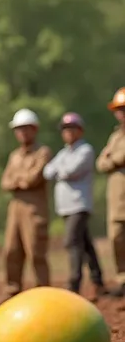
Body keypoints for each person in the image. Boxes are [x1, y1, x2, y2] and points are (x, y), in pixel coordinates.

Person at [43, 113, 106, 298]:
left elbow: (69, 171)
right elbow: (47, 172)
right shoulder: (63, 153)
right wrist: (59, 169)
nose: (68, 133)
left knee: (72, 241)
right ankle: (98, 281)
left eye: (72, 129)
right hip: (65, 206)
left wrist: (59, 170)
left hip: (79, 205)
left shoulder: (85, 151)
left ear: (80, 131)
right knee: (85, 244)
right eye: (65, 129)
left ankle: (74, 283)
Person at [1, 108, 52, 298]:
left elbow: (33, 178)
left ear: (35, 129)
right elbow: (5, 181)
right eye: (19, 129)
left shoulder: (43, 152)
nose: (22, 132)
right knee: (11, 250)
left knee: (36, 252)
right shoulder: (14, 155)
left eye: (26, 128)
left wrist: (18, 180)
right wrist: (19, 181)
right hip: (15, 208)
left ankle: (43, 291)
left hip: (34, 208)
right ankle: (12, 290)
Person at [96, 87, 125, 297]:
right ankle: (123, 280)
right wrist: (111, 160)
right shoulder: (115, 136)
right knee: (116, 238)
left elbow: (116, 158)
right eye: (118, 109)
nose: (121, 112)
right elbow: (100, 163)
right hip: (117, 199)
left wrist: (111, 159)